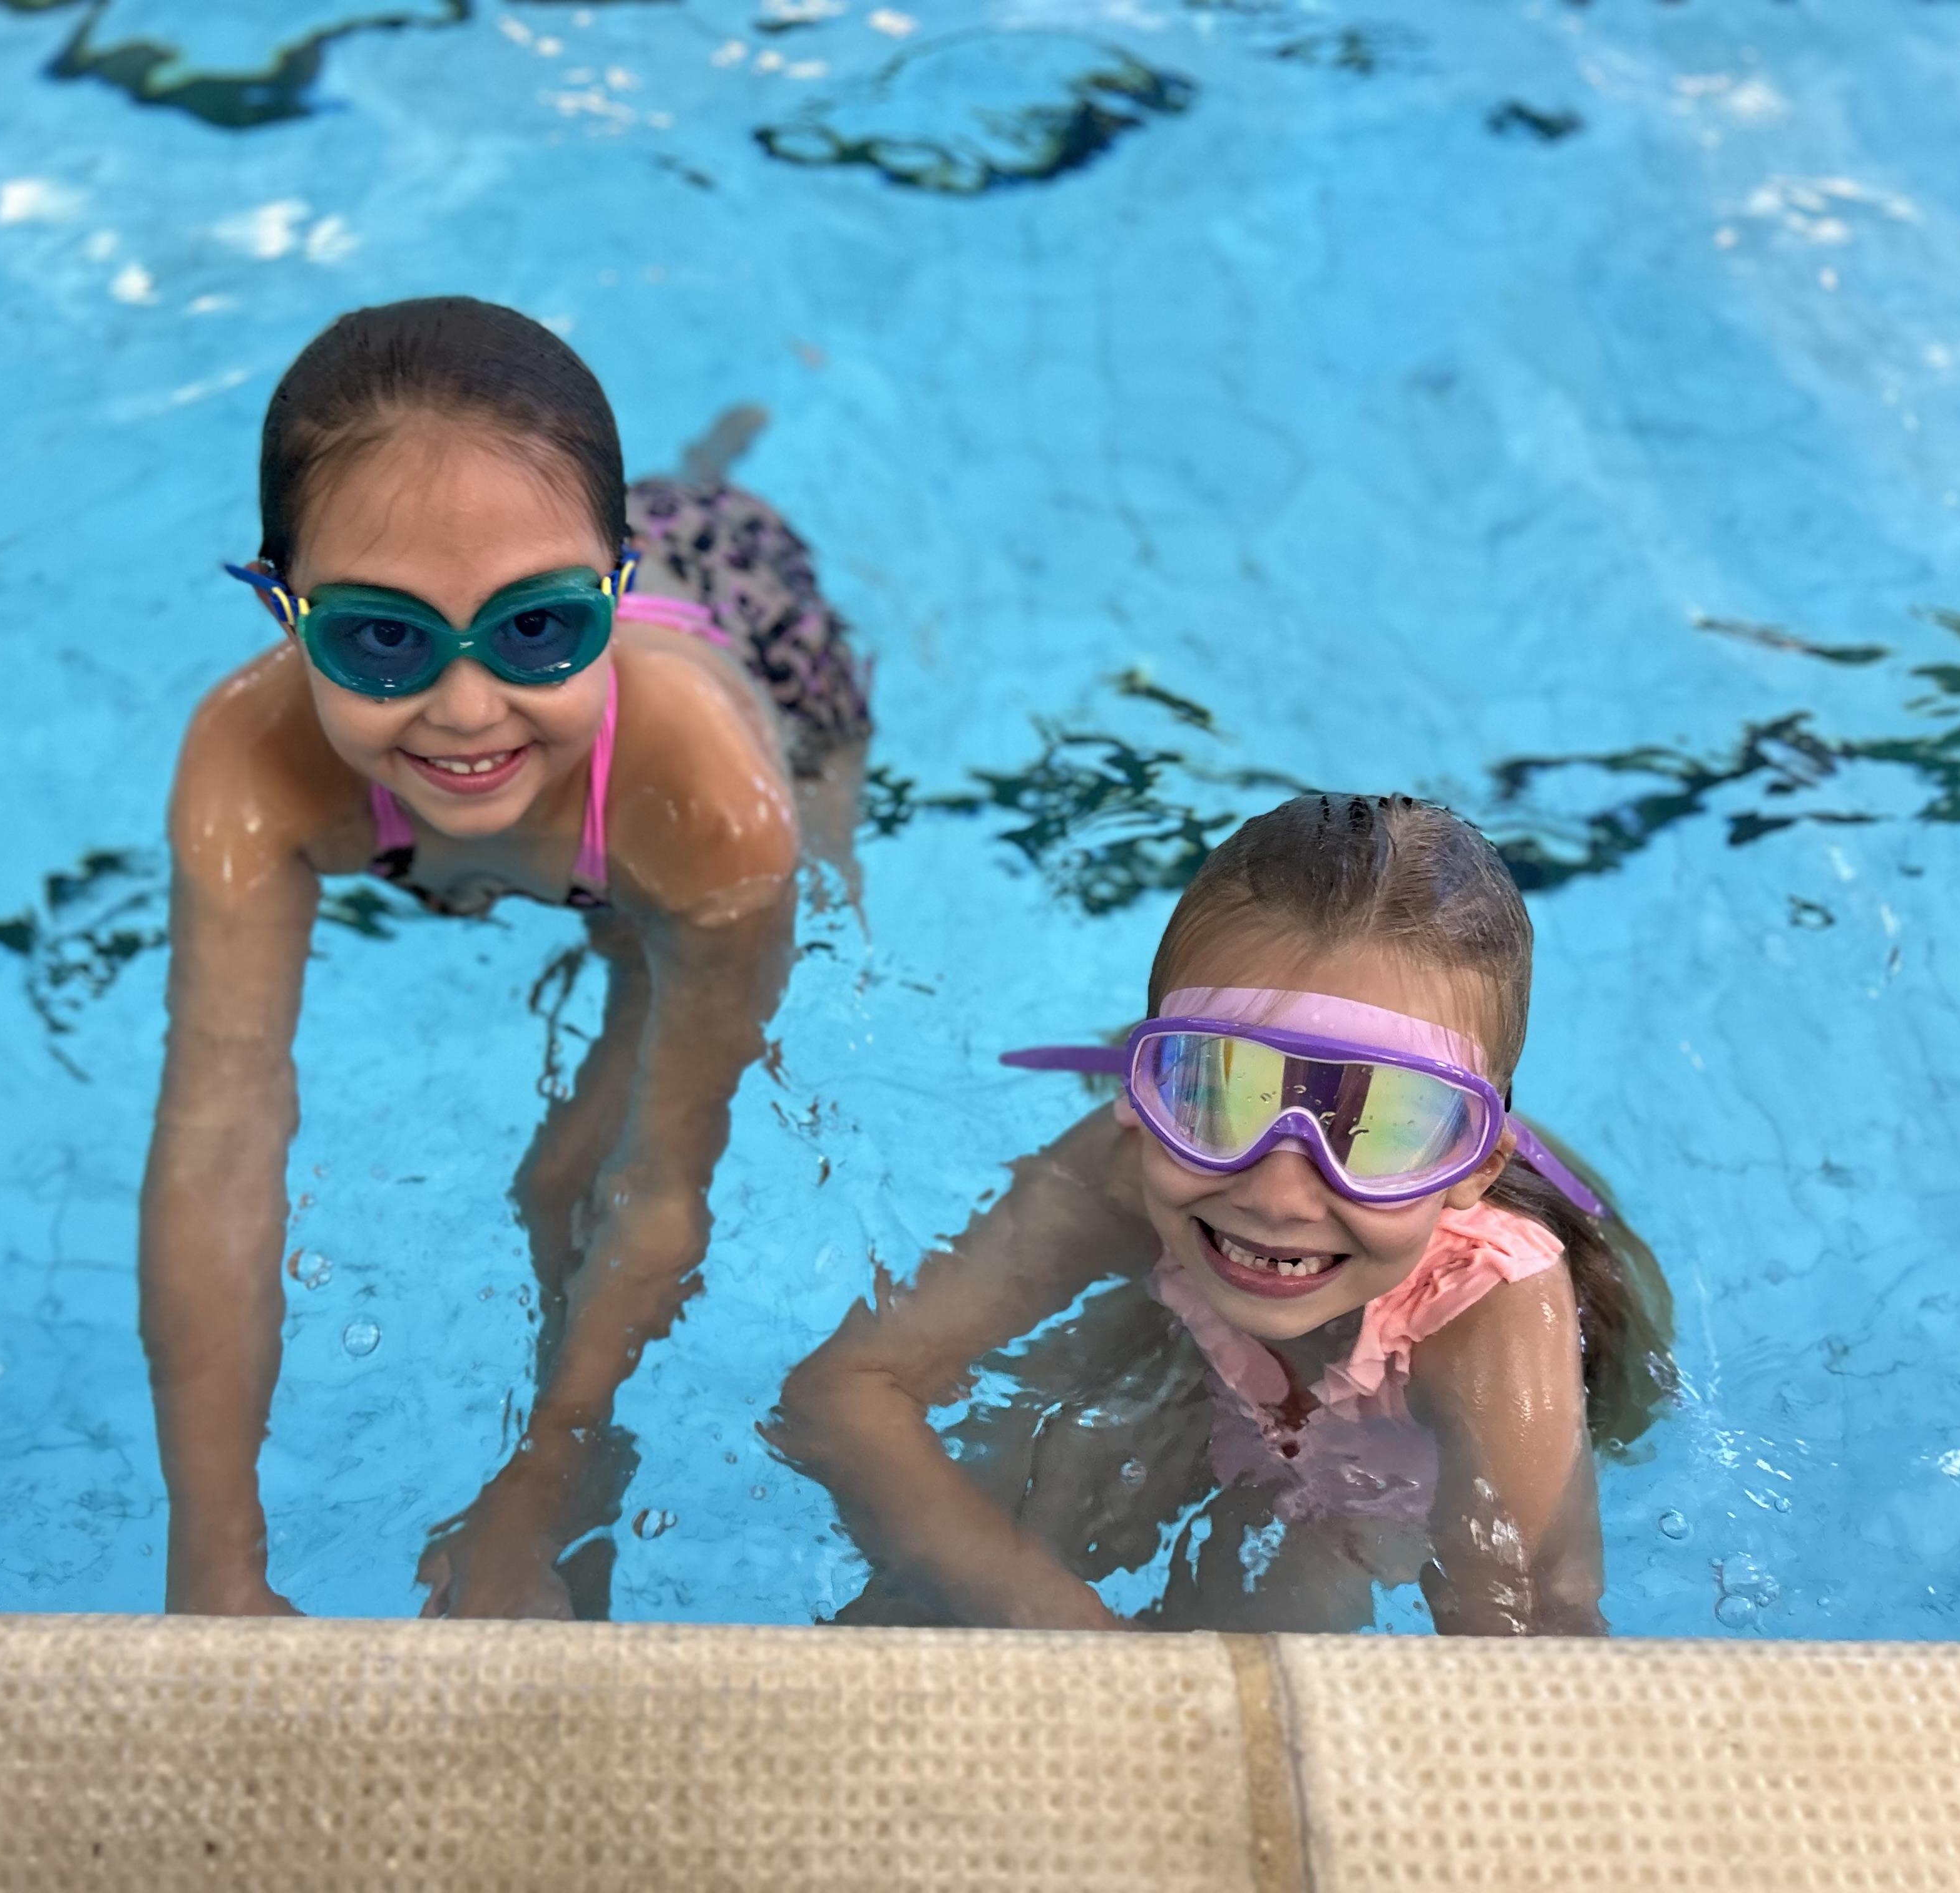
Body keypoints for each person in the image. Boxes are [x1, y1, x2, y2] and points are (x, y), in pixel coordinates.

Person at [142, 297, 870, 1618]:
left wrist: (543, 1480)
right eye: (380, 637)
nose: (466, 707)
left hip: (745, 650)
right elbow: (216, 1148)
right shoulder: (248, 763)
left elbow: (666, 1181)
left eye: (537, 630)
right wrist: (213, 1563)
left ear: (613, 593)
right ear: (283, 609)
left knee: (571, 1177)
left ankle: (582, 1479)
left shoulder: (712, 801)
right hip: (572, 622)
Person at [774, 793, 1672, 1636]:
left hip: (1388, 1462)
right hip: (1192, 1344)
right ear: (1144, 1088)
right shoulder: (1129, 1162)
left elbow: (1532, 1641)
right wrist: (1057, 1625)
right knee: (974, 1534)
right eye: (1219, 1089)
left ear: (1477, 1166)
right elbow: (844, 1394)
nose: (1277, 1195)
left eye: (1388, 1127)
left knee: (1297, 1600)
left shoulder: (1491, 1305)